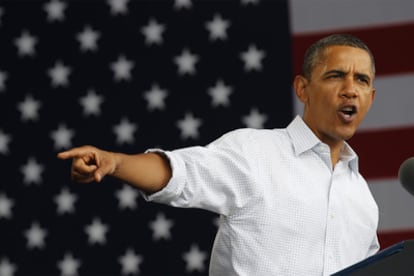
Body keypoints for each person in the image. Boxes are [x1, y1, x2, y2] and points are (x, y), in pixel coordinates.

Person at [58, 33, 379, 276]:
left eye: (362, 80)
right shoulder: (255, 152)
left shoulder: (362, 197)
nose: (350, 88)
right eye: (336, 75)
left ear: (371, 97)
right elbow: (181, 174)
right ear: (302, 88)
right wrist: (115, 162)